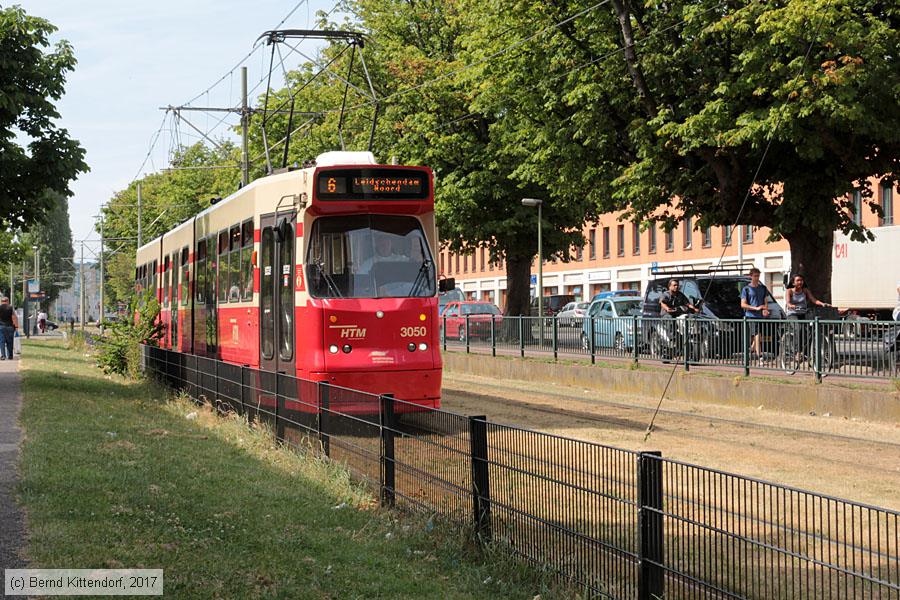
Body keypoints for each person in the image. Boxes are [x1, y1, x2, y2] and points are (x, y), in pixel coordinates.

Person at [784, 274, 830, 360]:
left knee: (809, 330)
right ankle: (797, 352)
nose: (800, 282)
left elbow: (814, 300)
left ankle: (807, 352)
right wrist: (791, 305)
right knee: (799, 328)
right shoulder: (789, 290)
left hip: (803, 313)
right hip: (792, 314)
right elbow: (788, 302)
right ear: (793, 283)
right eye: (798, 280)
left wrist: (822, 304)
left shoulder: (805, 290)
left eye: (801, 280)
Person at [740, 267, 770, 360]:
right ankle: (759, 355)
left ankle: (752, 348)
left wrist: (765, 309)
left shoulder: (763, 288)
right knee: (757, 334)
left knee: (759, 335)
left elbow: (765, 302)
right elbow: (743, 304)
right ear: (751, 276)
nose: (757, 278)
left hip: (761, 316)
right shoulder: (746, 289)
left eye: (758, 276)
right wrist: (755, 308)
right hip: (751, 316)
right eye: (755, 276)